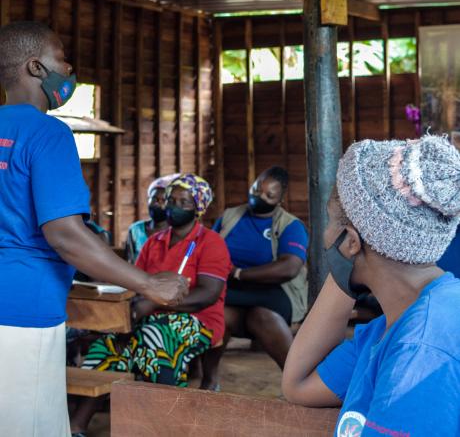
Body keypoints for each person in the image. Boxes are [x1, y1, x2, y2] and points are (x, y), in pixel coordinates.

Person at [0, 21, 188, 437]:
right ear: (35, 67)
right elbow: (65, 235)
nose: (69, 69)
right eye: (62, 58)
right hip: (23, 312)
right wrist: (148, 283)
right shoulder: (48, 134)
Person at [282, 136, 460, 435]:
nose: (324, 235)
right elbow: (298, 385)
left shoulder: (419, 349)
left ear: (351, 241)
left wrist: (345, 257)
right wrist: (345, 269)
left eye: (328, 221)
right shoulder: (393, 326)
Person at [70, 173, 231, 436]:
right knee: (109, 345)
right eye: (170, 199)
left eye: (184, 202)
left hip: (200, 322)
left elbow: (207, 295)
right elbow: (137, 284)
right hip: (149, 318)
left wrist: (154, 302)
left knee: (156, 338)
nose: (173, 206)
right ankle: (77, 425)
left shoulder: (211, 243)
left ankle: (165, 424)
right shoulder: (153, 243)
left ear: (199, 208)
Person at [201, 166, 309, 390]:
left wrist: (240, 274)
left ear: (279, 199)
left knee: (262, 316)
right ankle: (209, 379)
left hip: (276, 291)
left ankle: (299, 380)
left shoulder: (290, 225)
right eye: (257, 189)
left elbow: (289, 267)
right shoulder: (230, 216)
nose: (260, 196)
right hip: (234, 290)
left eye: (269, 195)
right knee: (221, 314)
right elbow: (209, 248)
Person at [125, 173, 179, 263]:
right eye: (154, 199)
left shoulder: (176, 232)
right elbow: (129, 262)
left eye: (163, 200)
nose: (157, 204)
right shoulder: (136, 229)